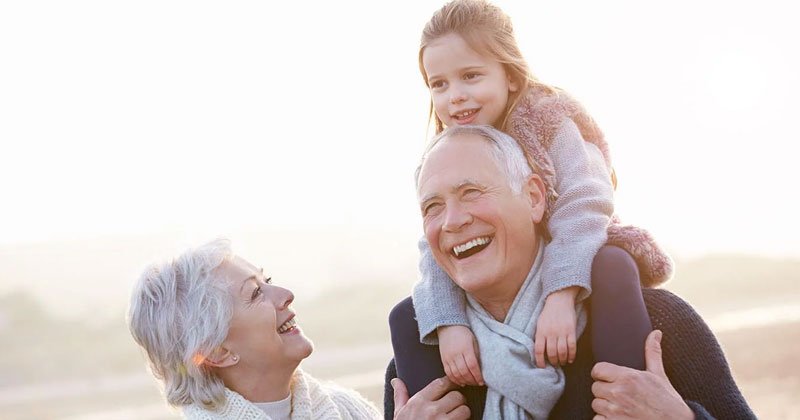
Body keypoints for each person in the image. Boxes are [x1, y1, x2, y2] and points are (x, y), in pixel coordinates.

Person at [386, 125, 755, 419]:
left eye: (471, 192)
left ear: (534, 197)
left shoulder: (657, 324)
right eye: (432, 207)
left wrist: (680, 419)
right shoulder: (419, 369)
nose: (452, 220)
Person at [406, 0, 672, 393]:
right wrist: (449, 323)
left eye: (471, 76)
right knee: (405, 316)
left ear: (511, 76)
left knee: (613, 264)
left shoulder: (549, 120)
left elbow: (585, 202)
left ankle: (623, 395)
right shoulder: (449, 153)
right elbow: (436, 243)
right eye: (439, 84)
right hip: (503, 275)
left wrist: (561, 295)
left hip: (576, 251)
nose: (455, 96)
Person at [127, 239, 467, 419]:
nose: (286, 295)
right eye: (256, 293)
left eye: (268, 280)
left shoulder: (343, 408)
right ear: (217, 351)